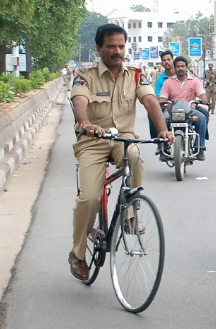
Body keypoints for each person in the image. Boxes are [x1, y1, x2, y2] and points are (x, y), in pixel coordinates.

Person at [69, 23, 173, 280]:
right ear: (99, 48)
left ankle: (129, 214)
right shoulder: (85, 74)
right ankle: (78, 253)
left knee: (136, 157)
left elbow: (150, 101)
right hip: (92, 141)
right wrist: (86, 124)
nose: (117, 52)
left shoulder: (136, 74)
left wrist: (163, 130)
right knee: (90, 198)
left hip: (122, 139)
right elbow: (79, 102)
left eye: (121, 46)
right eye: (111, 46)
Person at [159, 55, 209, 160]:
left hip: (190, 111)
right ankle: (163, 148)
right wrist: (161, 101)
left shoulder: (194, 81)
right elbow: (163, 97)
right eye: (178, 66)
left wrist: (203, 98)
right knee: (162, 120)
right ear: (174, 67)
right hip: (172, 111)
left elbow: (201, 93)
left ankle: (199, 148)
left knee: (202, 118)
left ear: (187, 67)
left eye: (182, 66)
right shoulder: (168, 82)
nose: (180, 68)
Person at [150, 51, 175, 148]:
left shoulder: (181, 74)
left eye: (169, 59)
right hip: (167, 105)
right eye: (164, 60)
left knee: (203, 114)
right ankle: (160, 143)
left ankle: (199, 144)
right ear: (162, 63)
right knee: (152, 114)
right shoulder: (161, 79)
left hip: (183, 104)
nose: (167, 62)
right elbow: (158, 95)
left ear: (173, 60)